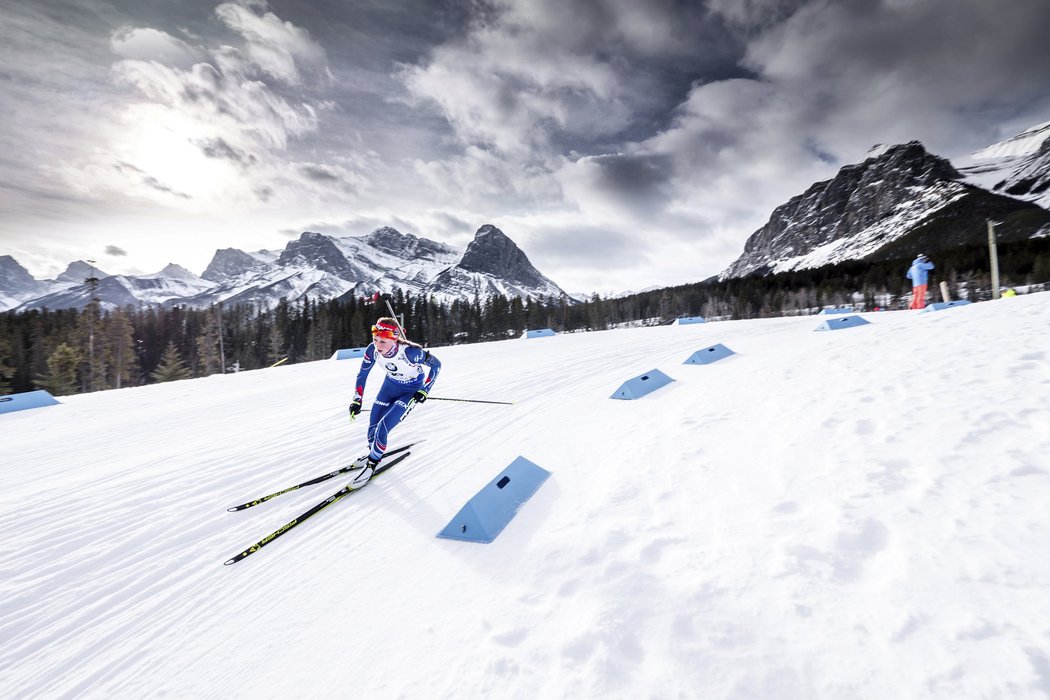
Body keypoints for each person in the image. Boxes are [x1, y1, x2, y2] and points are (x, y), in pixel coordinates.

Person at [347, 317, 441, 488]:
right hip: (389, 387)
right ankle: (374, 452)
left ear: (394, 338)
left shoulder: (411, 353)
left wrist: (424, 390)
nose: (378, 345)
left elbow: (437, 365)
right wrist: (357, 400)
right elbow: (362, 375)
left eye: (383, 341)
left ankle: (372, 464)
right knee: (372, 427)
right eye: (375, 339)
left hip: (410, 392)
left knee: (383, 427)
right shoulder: (372, 350)